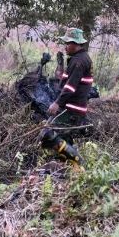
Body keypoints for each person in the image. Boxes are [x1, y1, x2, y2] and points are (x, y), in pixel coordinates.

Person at [40, 28, 94, 166]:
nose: (65, 46)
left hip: (71, 108)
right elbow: (65, 81)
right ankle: (66, 167)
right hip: (73, 107)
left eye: (67, 43)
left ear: (75, 44)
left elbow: (70, 87)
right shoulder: (79, 59)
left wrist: (57, 103)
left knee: (48, 133)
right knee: (64, 137)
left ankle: (79, 164)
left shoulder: (78, 61)